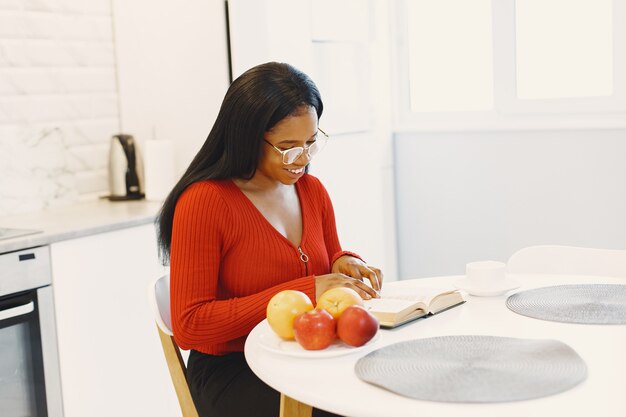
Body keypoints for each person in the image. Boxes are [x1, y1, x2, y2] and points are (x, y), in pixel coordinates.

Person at [156, 61, 383, 417]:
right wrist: (310, 290)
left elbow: (327, 255)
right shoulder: (205, 202)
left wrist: (345, 262)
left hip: (305, 355)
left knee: (384, 390)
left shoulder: (311, 190)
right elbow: (190, 325)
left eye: (311, 142)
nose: (303, 159)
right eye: (288, 146)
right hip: (234, 370)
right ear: (247, 138)